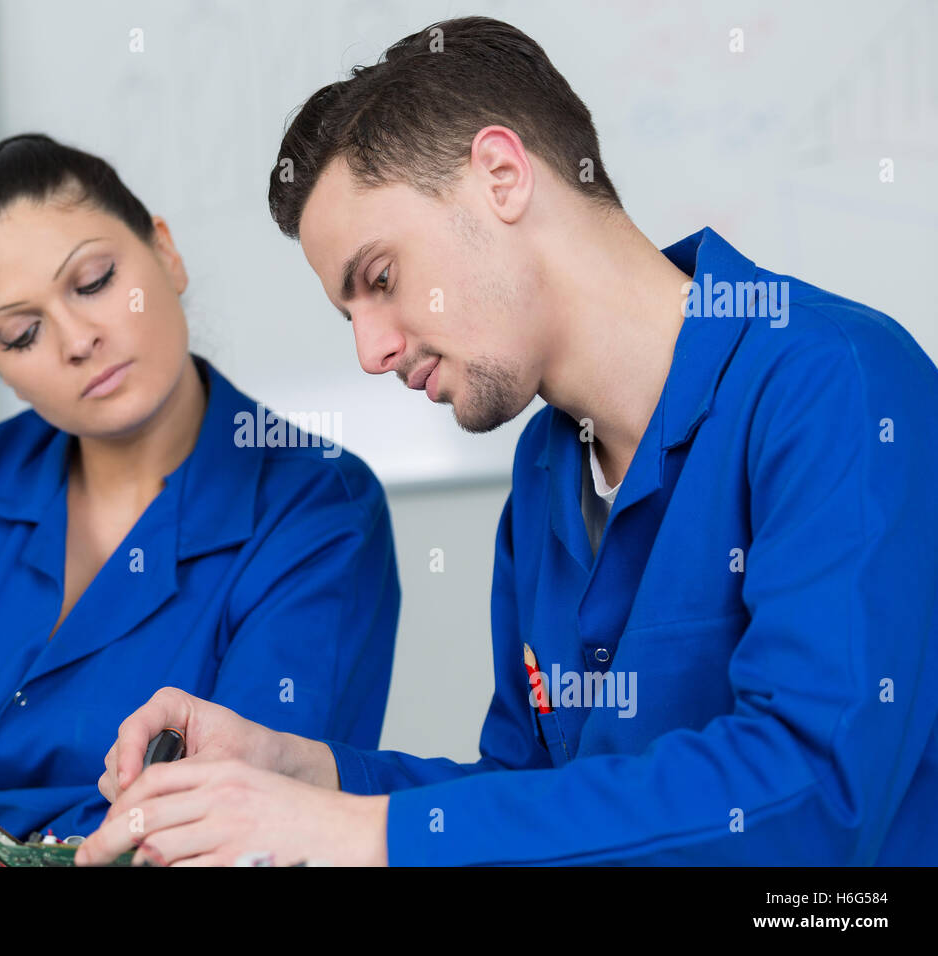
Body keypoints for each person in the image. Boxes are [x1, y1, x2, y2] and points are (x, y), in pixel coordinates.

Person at [74, 16, 938, 866]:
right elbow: (524, 790)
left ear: (501, 174)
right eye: (350, 314)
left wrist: (348, 836)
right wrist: (303, 773)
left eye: (380, 279)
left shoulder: (838, 383)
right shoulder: (546, 468)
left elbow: (812, 798)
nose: (372, 352)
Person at [0, 133, 400, 848]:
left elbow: (245, 830)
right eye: (20, 334)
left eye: (95, 280)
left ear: (165, 253)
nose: (76, 339)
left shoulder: (318, 508)